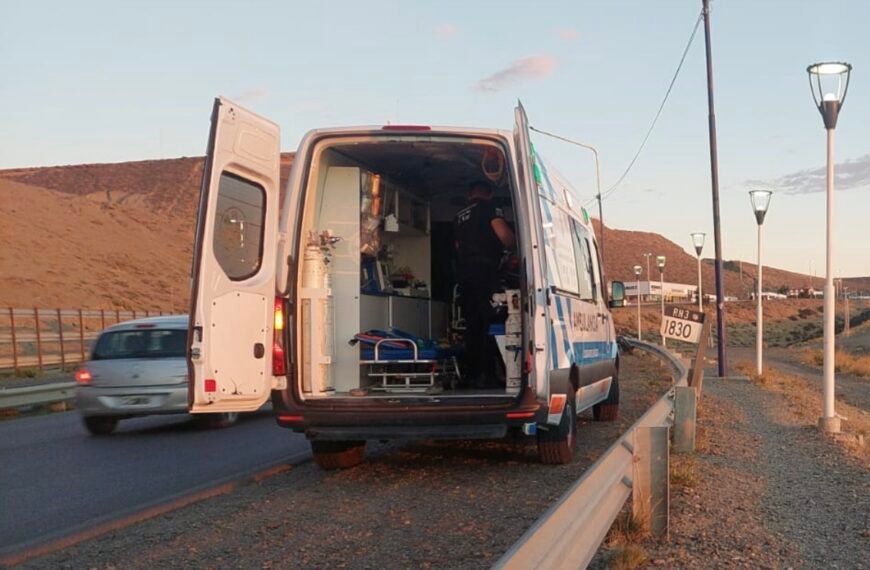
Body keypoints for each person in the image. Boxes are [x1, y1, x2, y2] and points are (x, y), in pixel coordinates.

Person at [454, 180, 516, 388]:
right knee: (491, 324)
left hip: (465, 274)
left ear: (471, 193)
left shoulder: (459, 215)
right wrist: (517, 245)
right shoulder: (490, 208)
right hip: (485, 272)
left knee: (473, 326)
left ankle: (472, 374)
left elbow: (457, 245)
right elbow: (504, 235)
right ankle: (489, 375)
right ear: (489, 194)